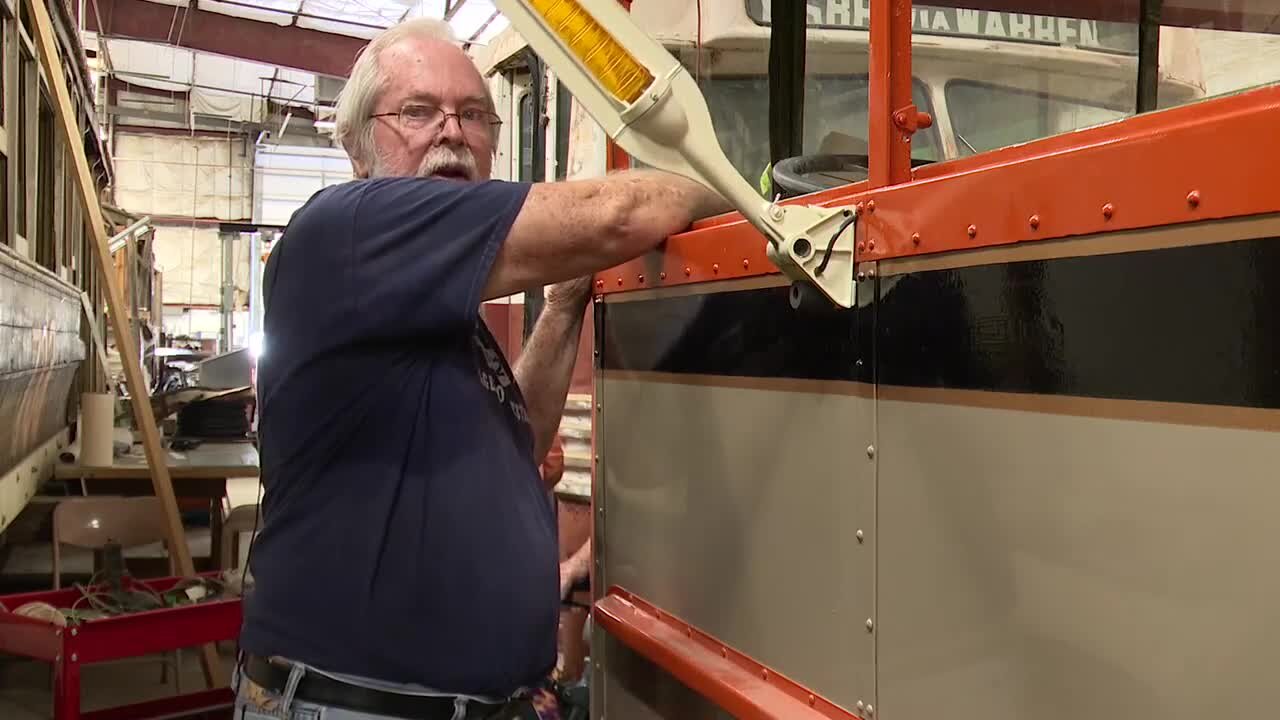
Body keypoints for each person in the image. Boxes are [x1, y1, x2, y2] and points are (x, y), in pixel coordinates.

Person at [235, 16, 729, 720]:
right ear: (355, 145)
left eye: (475, 115)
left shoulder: (432, 309)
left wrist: (562, 308)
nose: (453, 132)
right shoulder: (346, 229)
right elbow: (619, 214)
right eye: (417, 111)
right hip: (357, 707)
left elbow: (516, 443)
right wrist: (751, 197)